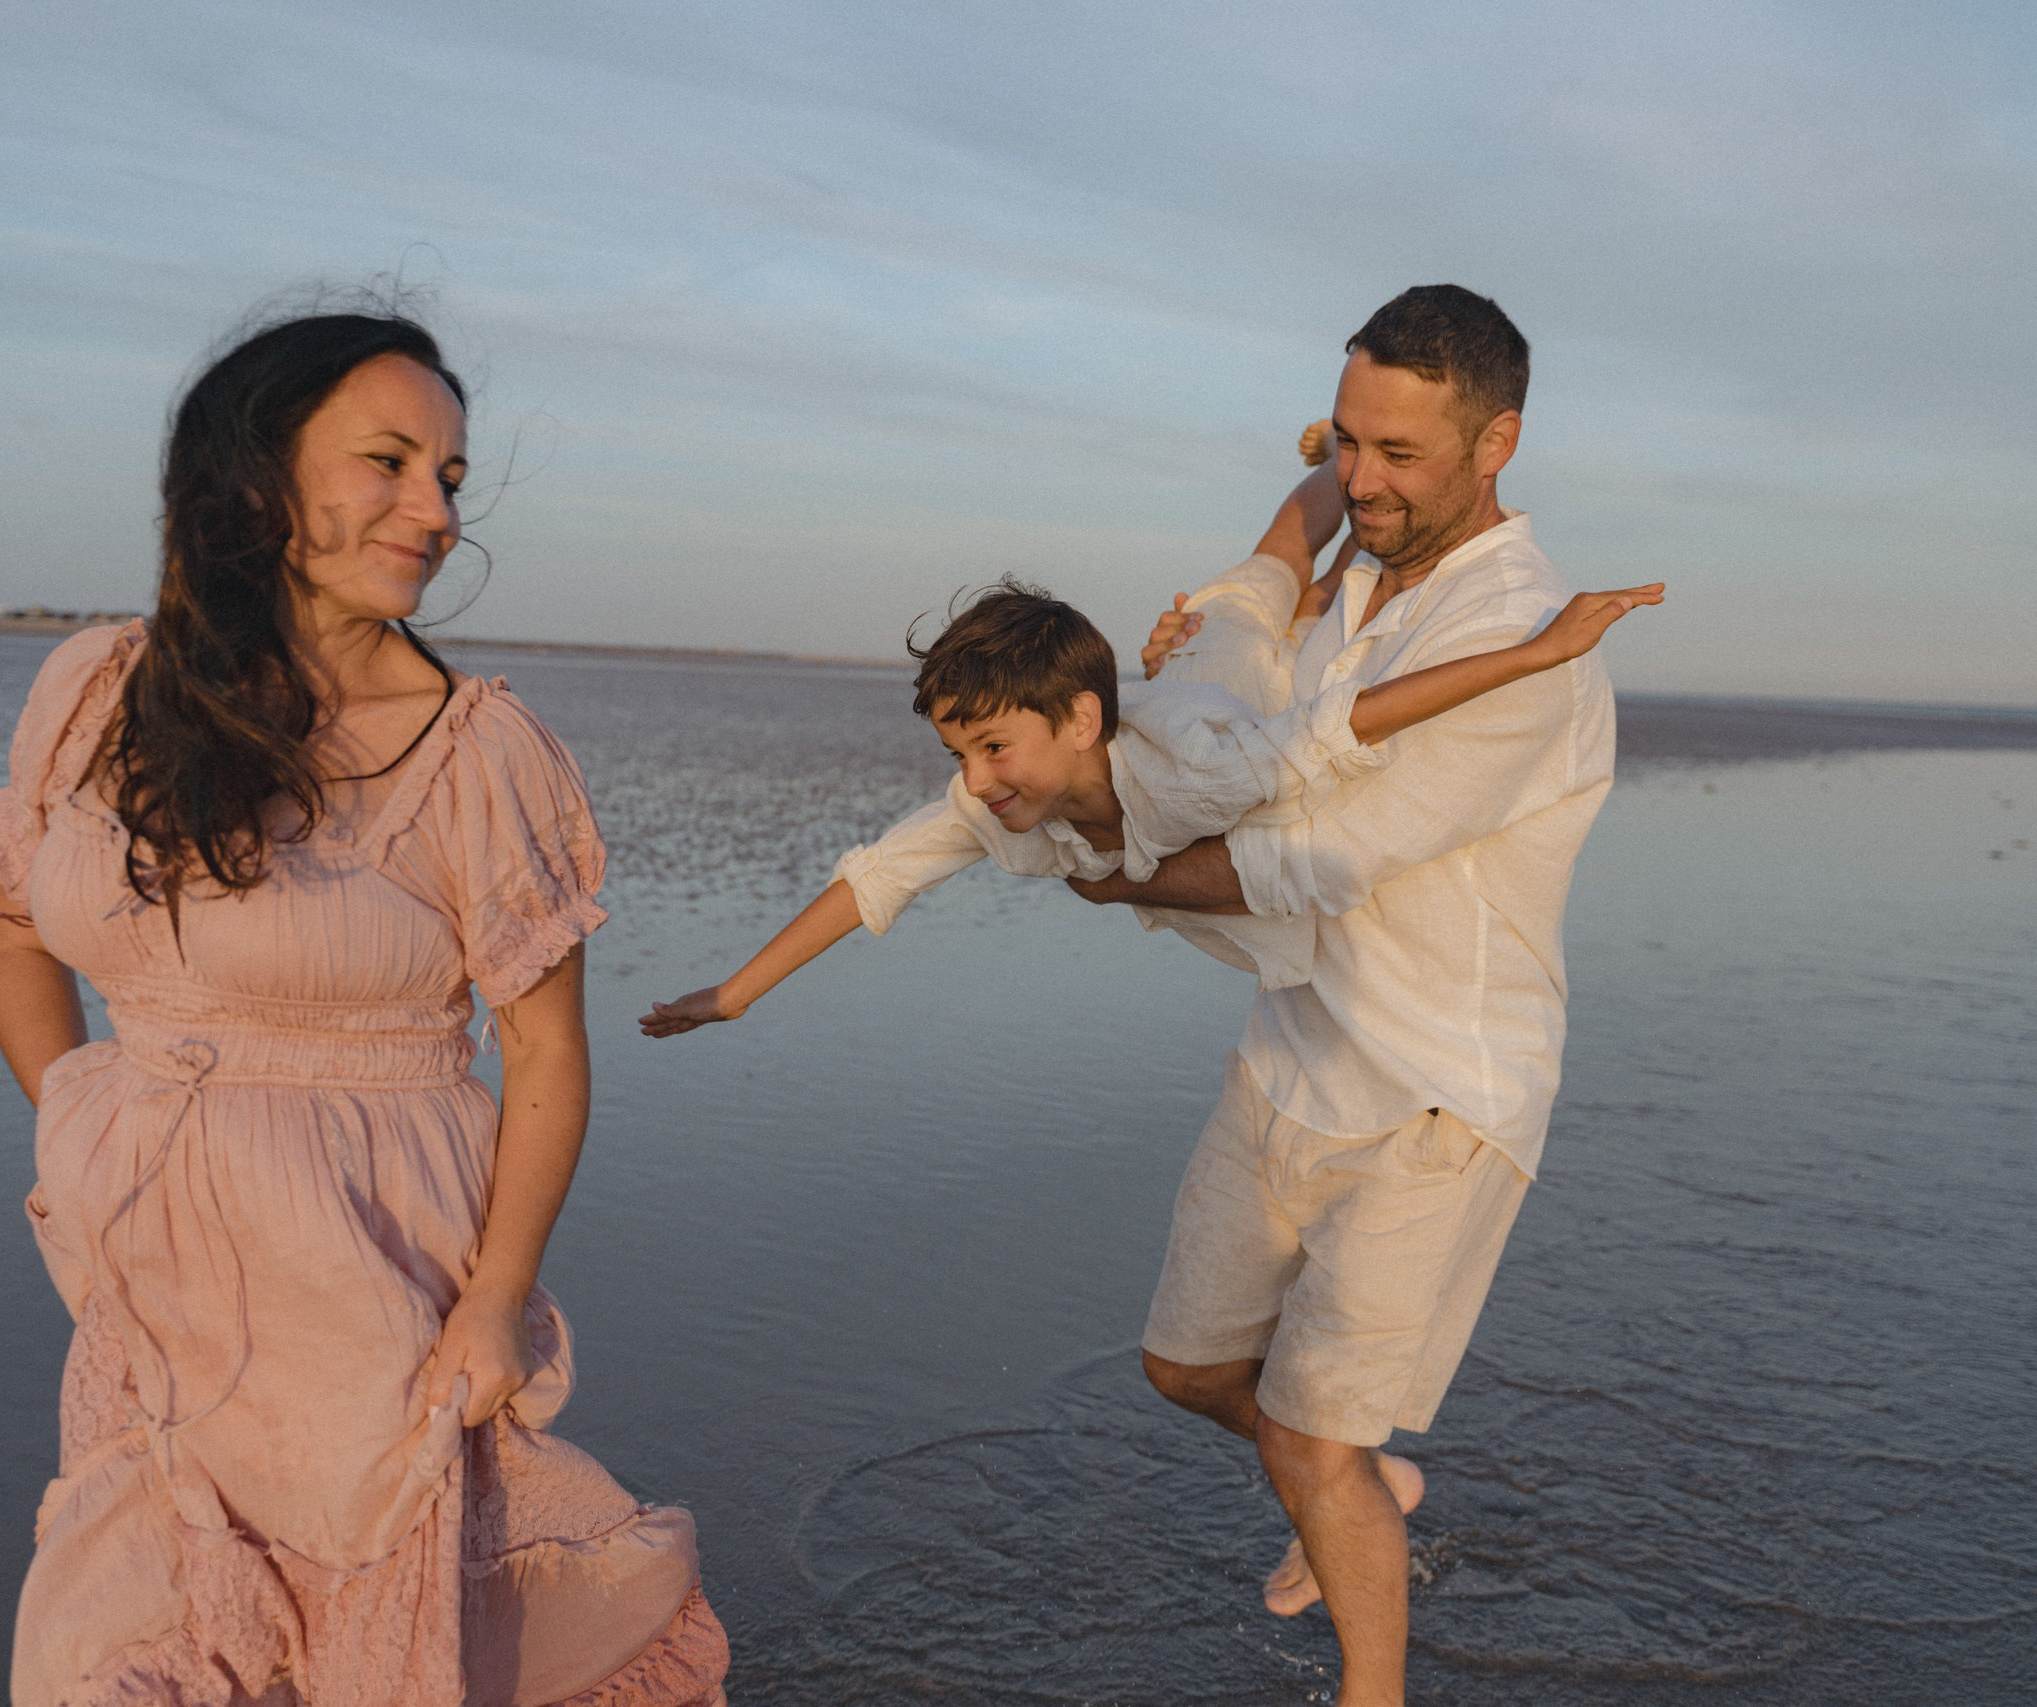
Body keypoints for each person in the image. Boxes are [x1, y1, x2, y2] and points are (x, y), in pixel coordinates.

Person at [0, 311, 729, 1707]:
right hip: (143, 1295)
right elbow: (21, 933)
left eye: (450, 474)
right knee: (112, 1654)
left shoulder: (480, 751)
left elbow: (546, 1053)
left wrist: (498, 1300)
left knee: (362, 1652)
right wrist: (88, 1114)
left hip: (373, 1291)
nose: (435, 509)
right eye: (389, 461)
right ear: (254, 477)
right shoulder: (94, 691)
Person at [1075, 284, 1616, 1707]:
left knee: (1310, 1444)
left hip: (1441, 1085)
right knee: (1186, 1368)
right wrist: (1213, 654)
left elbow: (1317, 855)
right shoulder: (1370, 553)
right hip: (1297, 1047)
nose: (1361, 478)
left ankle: (1364, 1661)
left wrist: (1116, 866)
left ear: (1497, 442)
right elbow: (1273, 694)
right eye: (1350, 441)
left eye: (1399, 454)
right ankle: (1362, 1480)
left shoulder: (1522, 644)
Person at [634, 573, 1652, 1037]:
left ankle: (1318, 544)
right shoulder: (991, 799)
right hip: (1175, 699)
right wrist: (734, 992)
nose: (977, 779)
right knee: (1258, 580)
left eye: (992, 746)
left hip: (1223, 708)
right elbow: (879, 875)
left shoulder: (1201, 770)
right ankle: (1310, 506)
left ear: (1074, 719)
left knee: (1266, 607)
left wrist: (1532, 652)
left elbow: (1345, 723)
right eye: (960, 751)